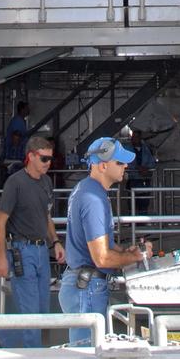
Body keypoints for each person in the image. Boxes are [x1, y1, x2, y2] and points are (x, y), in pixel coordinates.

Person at [58, 137, 152, 344]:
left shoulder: (86, 189)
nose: (125, 166)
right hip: (88, 289)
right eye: (119, 162)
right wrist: (135, 257)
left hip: (82, 284)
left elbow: (105, 246)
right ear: (102, 165)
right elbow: (102, 258)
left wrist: (127, 252)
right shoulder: (93, 199)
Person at [0, 135, 66, 347]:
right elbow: (0, 223)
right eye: (44, 159)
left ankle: (3, 338)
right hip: (21, 250)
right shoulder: (15, 183)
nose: (48, 163)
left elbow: (47, 216)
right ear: (31, 157)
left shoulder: (46, 182)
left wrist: (55, 242)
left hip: (42, 250)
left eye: (50, 159)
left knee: (42, 310)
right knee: (31, 311)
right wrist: (1, 258)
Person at [125, 128, 156, 214]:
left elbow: (152, 163)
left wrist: (146, 169)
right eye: (133, 137)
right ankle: (132, 224)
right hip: (132, 180)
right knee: (132, 204)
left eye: (136, 137)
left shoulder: (146, 149)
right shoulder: (127, 149)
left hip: (144, 181)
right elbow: (125, 162)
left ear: (140, 138)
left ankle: (142, 223)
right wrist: (137, 168)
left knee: (144, 204)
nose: (134, 139)